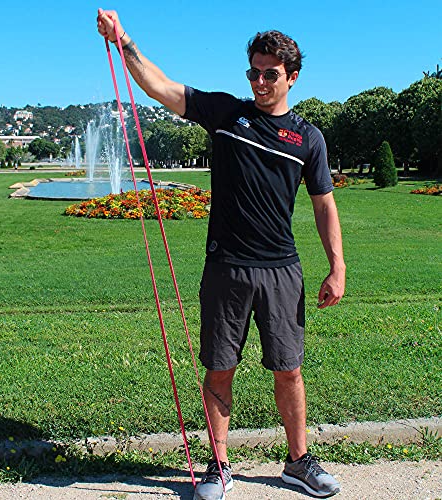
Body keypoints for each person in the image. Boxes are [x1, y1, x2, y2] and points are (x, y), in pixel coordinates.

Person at [98, 9, 346, 500]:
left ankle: (298, 462)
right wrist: (123, 39)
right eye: (253, 72)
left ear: (292, 77)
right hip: (226, 268)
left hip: (281, 269)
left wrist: (337, 267)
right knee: (219, 366)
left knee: (289, 369)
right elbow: (159, 86)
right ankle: (219, 466)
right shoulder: (227, 115)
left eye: (270, 74)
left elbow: (324, 205)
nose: (259, 82)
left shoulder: (308, 139)